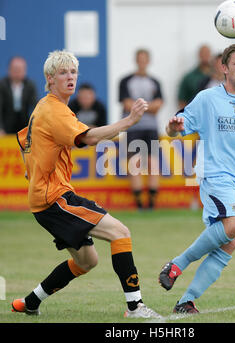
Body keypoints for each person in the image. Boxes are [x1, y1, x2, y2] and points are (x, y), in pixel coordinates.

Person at [11, 50, 161, 319]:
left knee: (87, 261)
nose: (70, 77)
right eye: (63, 72)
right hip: (54, 198)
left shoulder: (46, 107)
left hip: (44, 201)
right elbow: (89, 138)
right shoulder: (54, 110)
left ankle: (30, 302)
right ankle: (135, 307)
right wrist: (128, 121)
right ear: (49, 78)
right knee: (120, 233)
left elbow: (26, 143)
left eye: (73, 72)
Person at [158, 44, 235, 314]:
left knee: (230, 242)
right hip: (216, 175)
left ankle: (186, 301)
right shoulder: (206, 99)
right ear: (224, 68)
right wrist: (172, 126)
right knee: (234, 224)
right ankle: (177, 264)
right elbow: (174, 128)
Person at [119, 49, 163, 210]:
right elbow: (126, 104)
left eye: (145, 59)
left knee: (153, 163)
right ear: (136, 60)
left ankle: (151, 203)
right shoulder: (125, 81)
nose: (142, 62)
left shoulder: (155, 82)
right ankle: (139, 203)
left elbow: (159, 105)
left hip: (151, 128)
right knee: (134, 164)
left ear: (148, 61)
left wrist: (139, 107)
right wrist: (149, 107)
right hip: (133, 128)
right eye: (140, 59)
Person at [0, 56, 37, 135]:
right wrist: (0, 128)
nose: (17, 72)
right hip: (6, 125)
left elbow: (35, 107)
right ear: (9, 70)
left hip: (24, 124)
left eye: (20, 70)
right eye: (15, 69)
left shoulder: (30, 85)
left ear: (25, 71)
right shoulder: (2, 85)